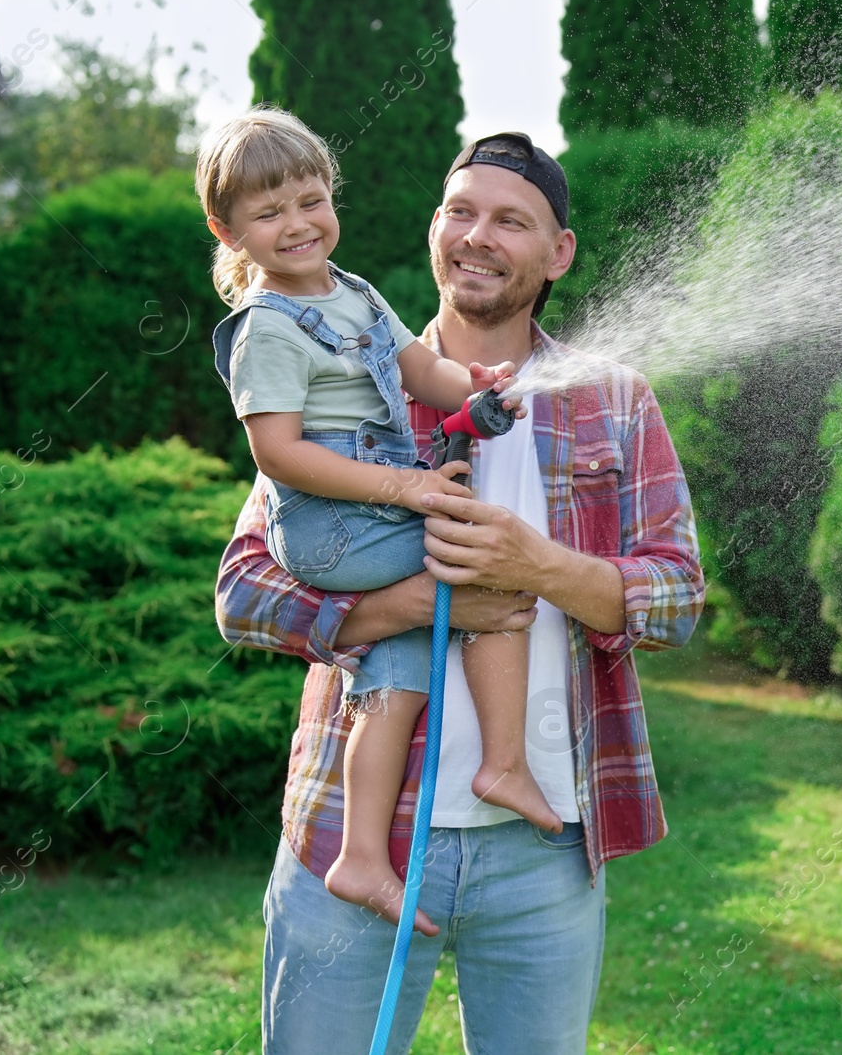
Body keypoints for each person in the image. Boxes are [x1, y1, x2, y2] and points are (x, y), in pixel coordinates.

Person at [214, 129, 703, 1054]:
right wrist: (406, 609)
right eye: (461, 212)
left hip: (544, 844)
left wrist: (536, 567)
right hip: (353, 839)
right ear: (435, 229)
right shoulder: (347, 370)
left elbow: (677, 597)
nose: (478, 236)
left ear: (557, 253)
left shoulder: (615, 401)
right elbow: (243, 592)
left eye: (510, 221)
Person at [199, 108, 562, 940]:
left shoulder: (356, 295)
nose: (296, 223)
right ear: (228, 230)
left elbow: (420, 369)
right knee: (489, 558)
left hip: (367, 516)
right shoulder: (266, 329)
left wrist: (472, 387)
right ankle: (504, 765)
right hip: (331, 529)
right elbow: (283, 455)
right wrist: (408, 486)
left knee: (393, 678)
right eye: (268, 212)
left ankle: (361, 854)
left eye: (309, 198)